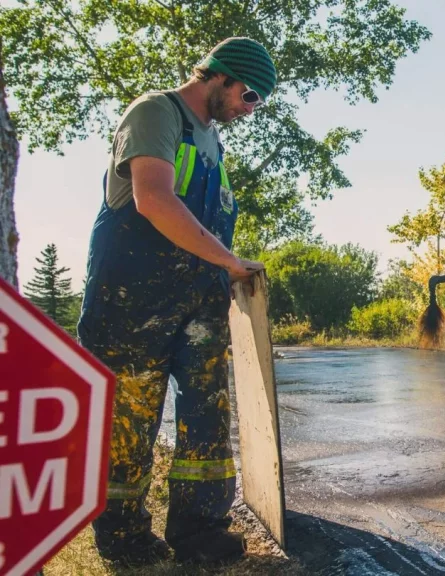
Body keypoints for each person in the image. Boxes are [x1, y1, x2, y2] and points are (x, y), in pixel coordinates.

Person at [76, 37, 277, 566]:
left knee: (207, 417)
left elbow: (207, 222)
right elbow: (154, 199)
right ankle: (124, 541)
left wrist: (228, 272)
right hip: (131, 301)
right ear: (221, 76)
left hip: (198, 303)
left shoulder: (214, 141)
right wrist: (230, 260)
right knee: (130, 422)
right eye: (249, 96)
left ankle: (201, 531)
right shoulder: (154, 112)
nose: (249, 109)